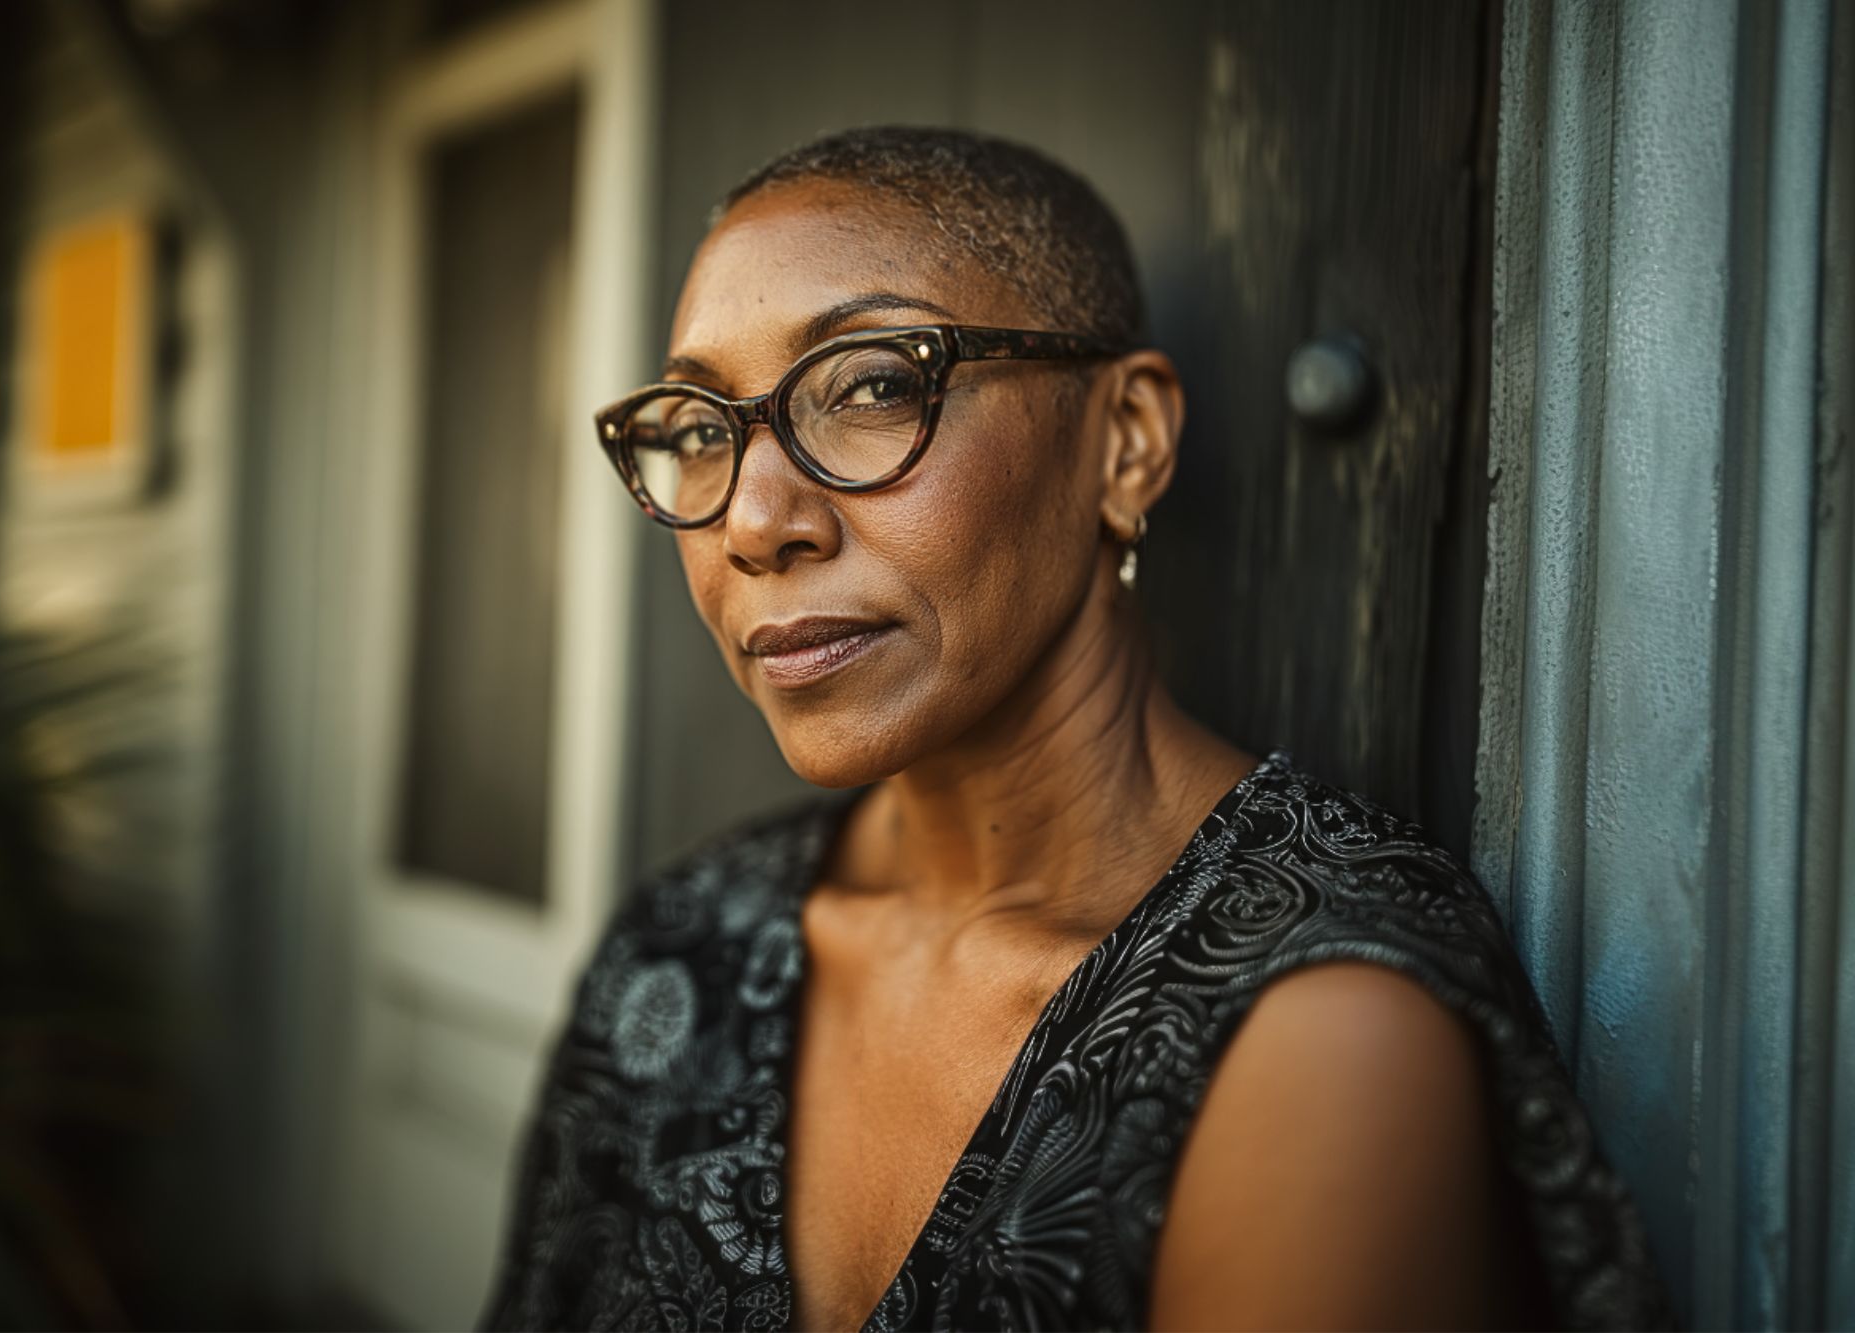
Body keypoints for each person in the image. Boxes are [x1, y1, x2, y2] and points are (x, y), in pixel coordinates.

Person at [476, 126, 1674, 1332]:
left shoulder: (1319, 1033)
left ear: (1126, 441)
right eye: (699, 429)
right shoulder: (679, 954)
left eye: (872, 385)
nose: (750, 520)